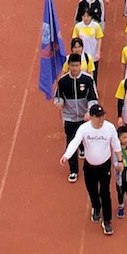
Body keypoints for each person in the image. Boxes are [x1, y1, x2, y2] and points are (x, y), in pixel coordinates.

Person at [63, 101, 118, 234]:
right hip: (89, 167)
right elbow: (75, 142)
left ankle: (107, 221)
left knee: (105, 193)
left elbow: (116, 144)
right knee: (92, 190)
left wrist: (120, 160)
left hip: (104, 166)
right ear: (91, 117)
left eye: (102, 116)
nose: (101, 119)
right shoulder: (84, 129)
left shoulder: (109, 128)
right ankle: (96, 207)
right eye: (98, 116)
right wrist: (66, 155)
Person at [54, 53, 99, 181]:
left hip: (85, 118)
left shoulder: (88, 79)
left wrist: (90, 111)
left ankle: (86, 156)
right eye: (72, 66)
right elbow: (58, 96)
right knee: (71, 142)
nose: (74, 68)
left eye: (77, 65)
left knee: (88, 141)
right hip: (70, 118)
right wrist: (59, 102)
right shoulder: (63, 81)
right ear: (68, 66)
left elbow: (93, 97)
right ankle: (73, 170)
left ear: (80, 65)